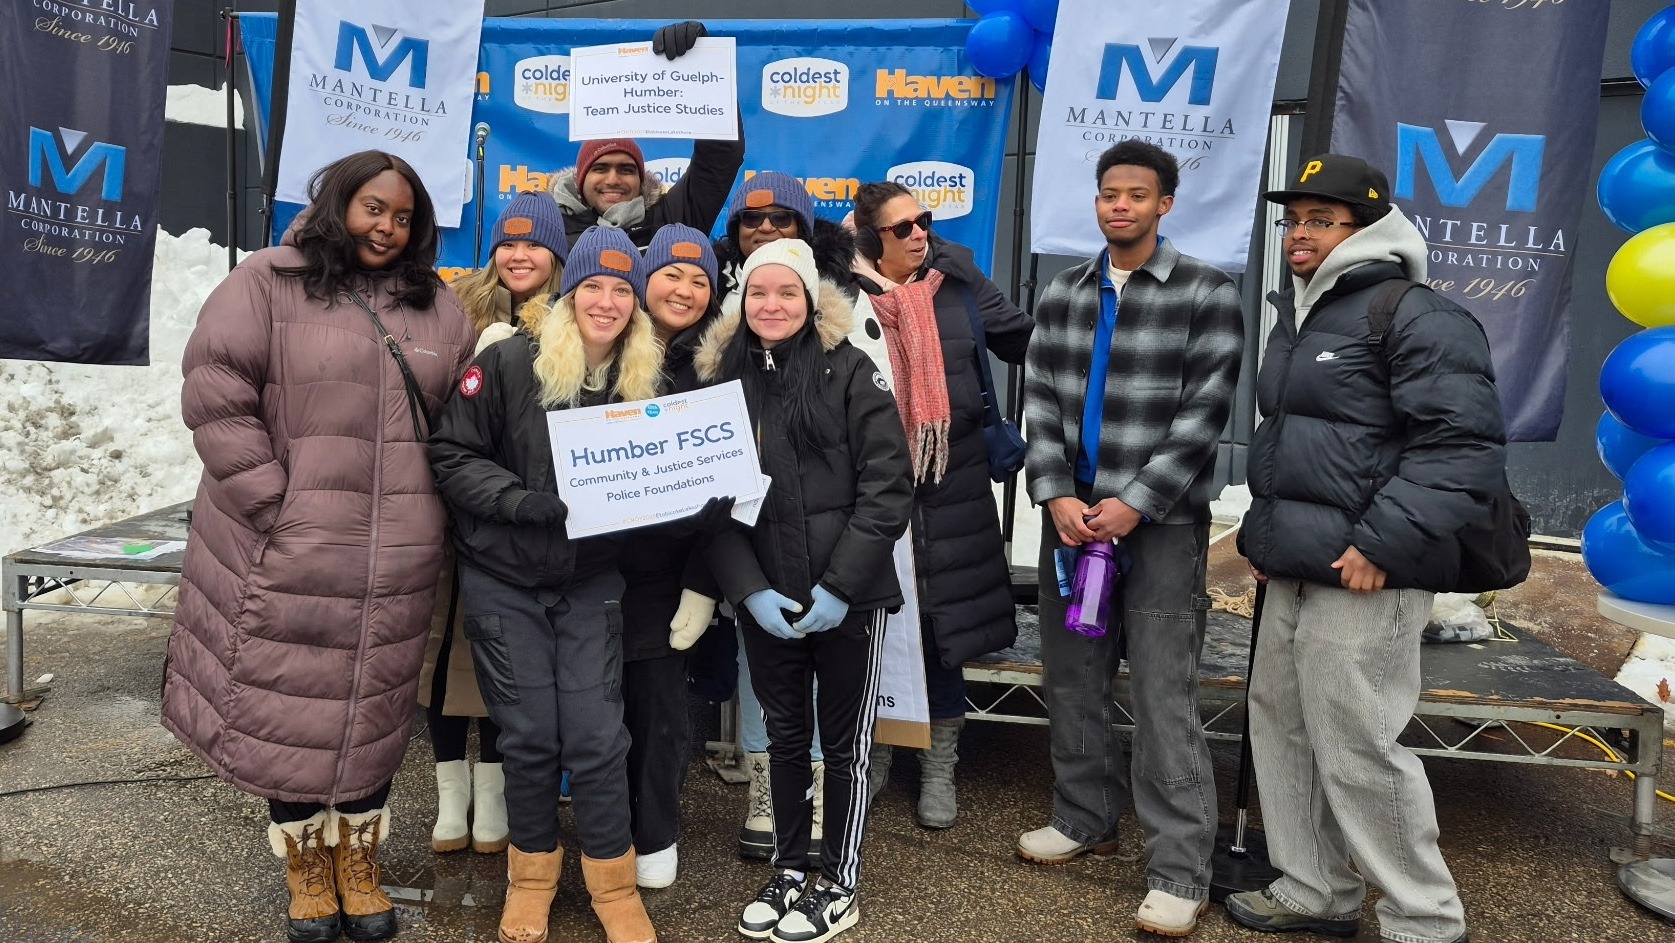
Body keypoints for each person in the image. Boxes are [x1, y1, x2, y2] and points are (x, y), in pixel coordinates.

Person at [162, 149, 476, 943]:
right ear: (339, 203)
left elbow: (459, 428)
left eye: (404, 216)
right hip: (293, 551)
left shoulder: (439, 307)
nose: (388, 226)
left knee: (369, 715)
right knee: (288, 710)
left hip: (397, 559)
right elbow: (216, 392)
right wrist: (274, 504)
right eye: (375, 207)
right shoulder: (266, 282)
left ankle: (359, 863)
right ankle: (307, 869)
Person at [1225, 154, 1498, 943]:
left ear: (1367, 228)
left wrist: (1381, 541)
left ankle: (1425, 916)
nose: (1298, 233)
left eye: (1319, 219)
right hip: (1296, 565)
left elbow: (1461, 447)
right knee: (1280, 725)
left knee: (1359, 744)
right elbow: (1291, 442)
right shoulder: (1300, 311)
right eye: (1292, 219)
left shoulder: (1414, 313)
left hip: (1367, 572)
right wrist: (1261, 534)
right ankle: (1314, 887)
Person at [1019, 140, 1244, 938]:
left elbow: (1202, 416)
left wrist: (1135, 504)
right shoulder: (1063, 291)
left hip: (1158, 531)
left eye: (1136, 194)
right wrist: (1054, 494)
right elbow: (1038, 397)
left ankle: (1181, 867)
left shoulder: (1206, 293)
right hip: (1071, 524)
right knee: (1073, 677)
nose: (1120, 205)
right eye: (1109, 193)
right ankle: (1083, 817)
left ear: (1164, 204)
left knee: (1160, 694)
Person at [427, 227, 663, 943]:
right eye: (593, 284)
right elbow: (450, 451)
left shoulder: (646, 381)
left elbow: (662, 477)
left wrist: (692, 500)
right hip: (504, 577)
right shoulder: (504, 363)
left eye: (623, 289)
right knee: (528, 734)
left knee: (596, 735)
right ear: (568, 292)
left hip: (591, 580)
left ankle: (611, 883)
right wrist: (515, 499)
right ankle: (530, 877)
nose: (607, 300)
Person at [693, 239, 913, 943]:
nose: (772, 305)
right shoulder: (722, 384)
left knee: (844, 744)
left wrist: (842, 585)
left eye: (787, 292)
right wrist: (747, 589)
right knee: (786, 738)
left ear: (812, 300)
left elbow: (887, 489)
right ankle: (790, 867)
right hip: (769, 600)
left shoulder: (851, 372)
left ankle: (838, 881)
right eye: (760, 292)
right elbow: (712, 505)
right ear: (742, 302)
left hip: (847, 597)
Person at [848, 181, 1033, 829]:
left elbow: (1023, 338)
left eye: (923, 220)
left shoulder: (956, 282)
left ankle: (938, 766)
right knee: (871, 632)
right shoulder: (842, 295)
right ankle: (873, 759)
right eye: (901, 228)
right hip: (871, 496)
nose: (919, 233)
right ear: (870, 239)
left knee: (942, 633)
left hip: (951, 489)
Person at [709, 170, 861, 860]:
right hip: (756, 550)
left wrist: (845, 575)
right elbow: (709, 480)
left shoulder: (850, 342)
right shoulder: (725, 350)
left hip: (837, 555)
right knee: (762, 675)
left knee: (834, 694)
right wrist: (743, 580)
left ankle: (828, 804)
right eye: (751, 220)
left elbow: (881, 470)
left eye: (781, 219)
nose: (765, 229)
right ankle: (769, 788)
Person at [419, 192, 571, 858]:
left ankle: (494, 796)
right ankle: (451, 796)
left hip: (523, 523)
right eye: (508, 242)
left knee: (496, 667)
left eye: (533, 243)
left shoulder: (573, 317)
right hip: (451, 506)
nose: (518, 254)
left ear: (556, 254)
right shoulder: (456, 309)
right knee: (440, 660)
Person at [616, 223, 725, 889]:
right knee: (598, 711)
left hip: (671, 573)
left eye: (699, 278)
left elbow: (734, 487)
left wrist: (702, 581)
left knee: (658, 707)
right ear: (643, 280)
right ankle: (601, 829)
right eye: (671, 273)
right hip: (593, 567)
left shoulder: (718, 365)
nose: (683, 288)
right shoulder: (600, 346)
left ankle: (654, 832)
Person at [547, 23, 745, 248]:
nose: (613, 179)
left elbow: (720, 158)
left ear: (641, 181)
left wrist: (703, 59)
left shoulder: (670, 221)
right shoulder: (549, 227)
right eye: (600, 168)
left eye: (626, 169)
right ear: (580, 180)